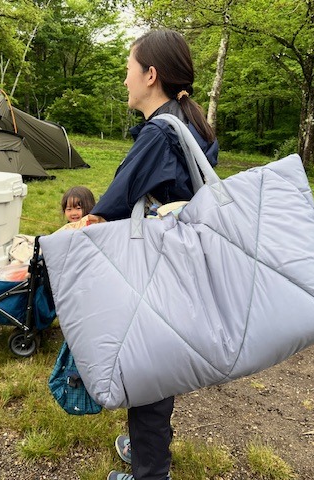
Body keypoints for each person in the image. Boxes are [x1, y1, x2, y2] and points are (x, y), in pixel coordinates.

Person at [87, 29, 219, 480]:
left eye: (129, 69)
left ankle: (150, 472)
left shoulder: (159, 134)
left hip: (157, 269)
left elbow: (107, 212)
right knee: (157, 365)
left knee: (146, 369)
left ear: (150, 75)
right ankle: (145, 449)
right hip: (181, 267)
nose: (125, 79)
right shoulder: (189, 124)